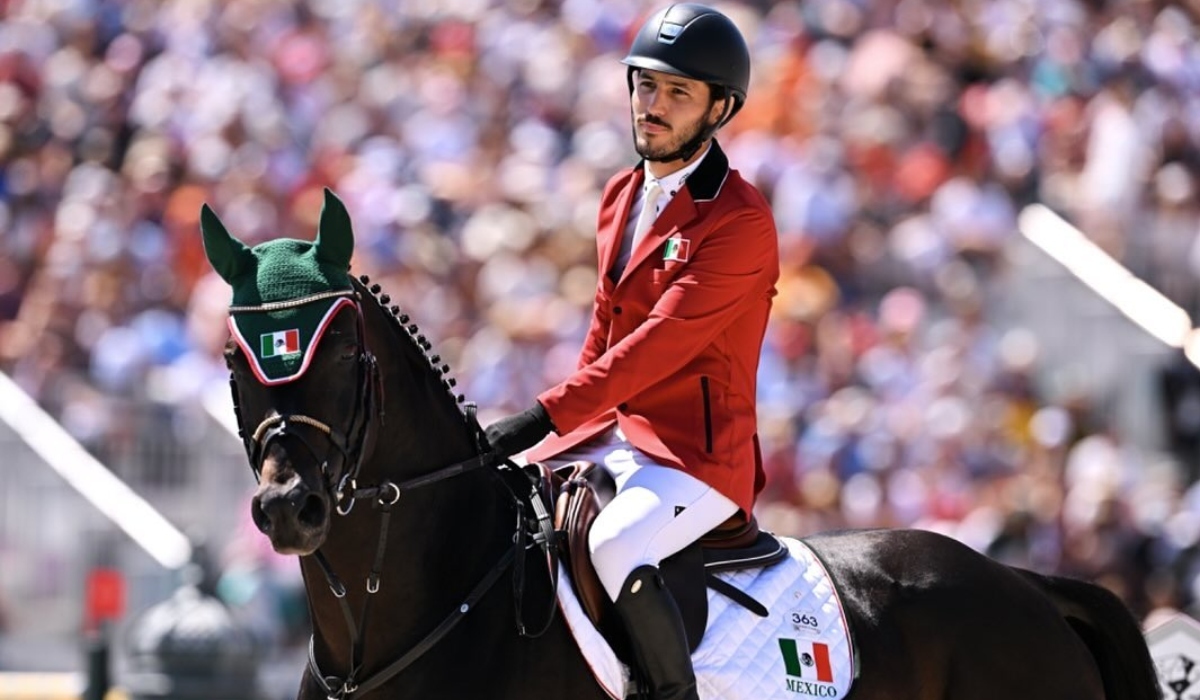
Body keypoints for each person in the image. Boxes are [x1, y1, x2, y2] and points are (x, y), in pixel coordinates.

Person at [484, 5, 778, 699]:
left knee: (614, 542)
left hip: (697, 456)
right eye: (647, 86)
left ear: (719, 109)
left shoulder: (740, 220)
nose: (654, 106)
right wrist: (550, 443)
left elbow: (656, 349)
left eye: (678, 93)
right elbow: (605, 332)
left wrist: (538, 418)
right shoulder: (621, 193)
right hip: (615, 435)